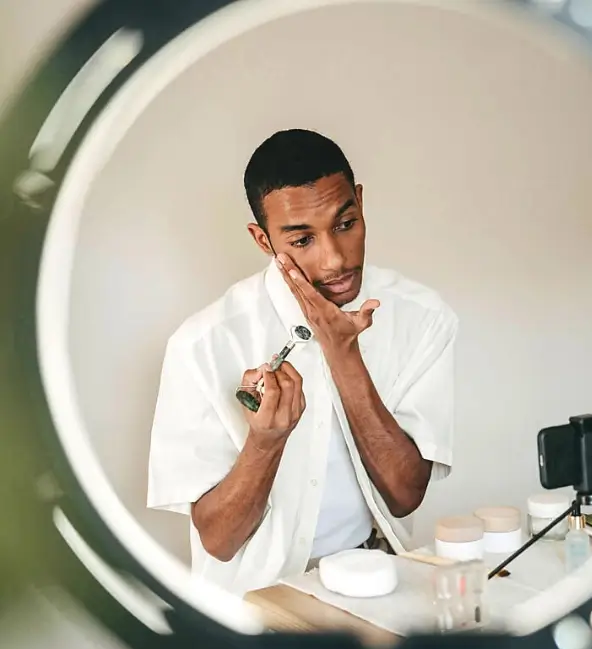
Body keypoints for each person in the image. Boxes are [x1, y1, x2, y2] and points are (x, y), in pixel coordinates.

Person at [147, 129, 458, 596]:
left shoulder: (423, 317)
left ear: (359, 202)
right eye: (301, 240)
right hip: (256, 604)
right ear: (263, 240)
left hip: (374, 583)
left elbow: (404, 495)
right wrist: (265, 442)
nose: (334, 259)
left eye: (345, 224)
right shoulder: (201, 345)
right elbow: (218, 541)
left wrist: (342, 353)